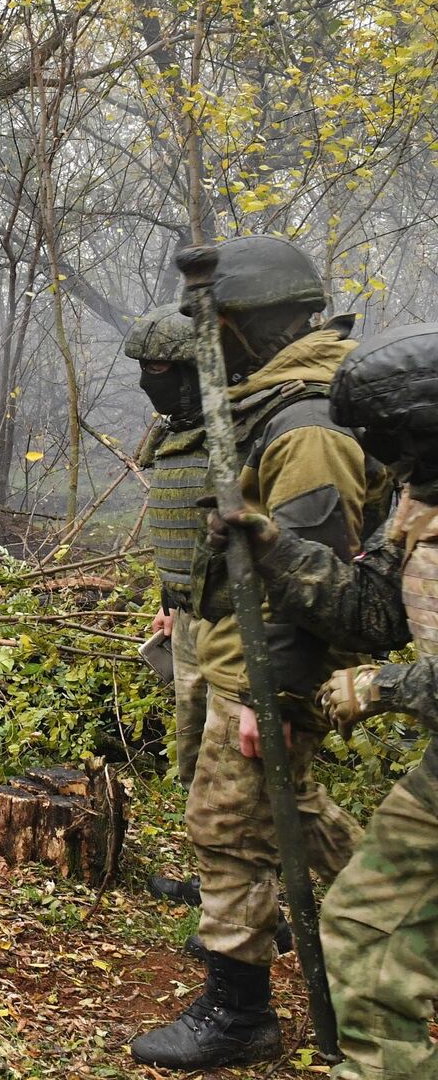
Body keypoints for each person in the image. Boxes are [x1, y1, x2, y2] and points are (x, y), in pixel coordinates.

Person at [131, 236, 389, 1069]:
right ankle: (397, 904)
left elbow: (315, 586)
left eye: (219, 327)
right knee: (286, 810)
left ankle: (239, 1013)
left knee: (229, 829)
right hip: (241, 650)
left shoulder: (306, 424)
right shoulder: (269, 403)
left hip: (268, 663)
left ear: (247, 325)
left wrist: (267, 696)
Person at [211, 322, 438, 1080]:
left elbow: (382, 655)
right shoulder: (421, 500)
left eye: (394, 442)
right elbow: (372, 610)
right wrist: (273, 546)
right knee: (366, 931)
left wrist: (384, 687)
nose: (390, 464)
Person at [126, 304, 210, 786]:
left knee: (236, 784)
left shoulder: (239, 431)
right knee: (195, 769)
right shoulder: (178, 431)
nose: (145, 381)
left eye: (155, 368)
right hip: (189, 617)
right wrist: (170, 603)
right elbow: (182, 523)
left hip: (236, 627)